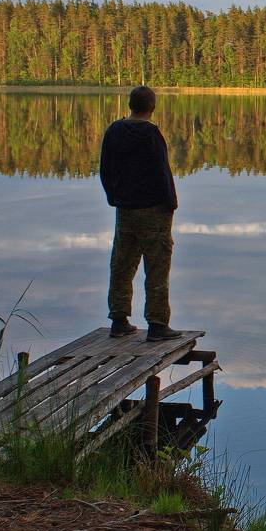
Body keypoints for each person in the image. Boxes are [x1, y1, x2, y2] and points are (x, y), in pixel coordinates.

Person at [99, 85, 182, 341]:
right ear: (152, 107)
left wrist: (113, 197)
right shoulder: (151, 134)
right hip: (153, 210)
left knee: (121, 265)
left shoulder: (114, 130)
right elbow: (162, 172)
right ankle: (157, 324)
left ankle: (118, 320)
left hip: (125, 209)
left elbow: (105, 169)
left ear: (130, 105)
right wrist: (171, 203)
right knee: (156, 268)